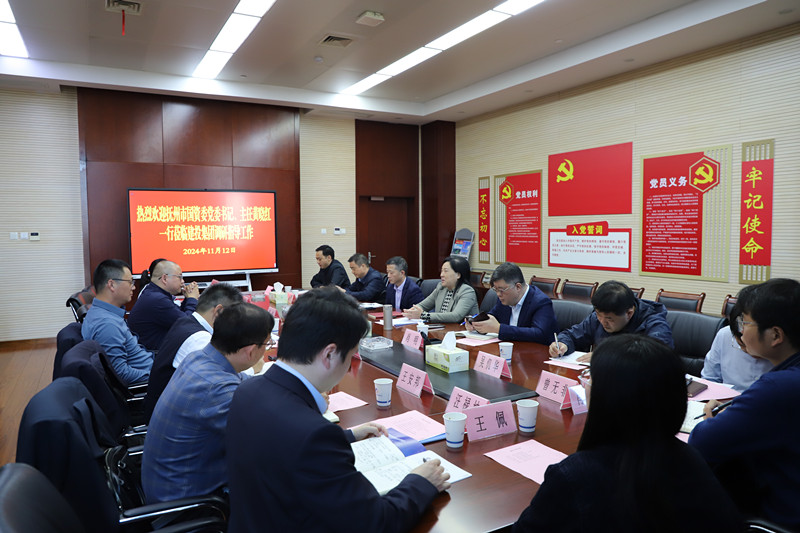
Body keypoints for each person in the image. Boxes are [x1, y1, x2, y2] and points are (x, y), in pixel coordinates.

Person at [225, 287, 450, 532]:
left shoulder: (247, 391)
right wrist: (421, 482)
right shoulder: (314, 435)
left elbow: (283, 446)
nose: (349, 364)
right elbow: (376, 522)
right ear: (330, 354)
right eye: (351, 356)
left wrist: (348, 436)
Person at [514, 335, 742, 532]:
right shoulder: (690, 458)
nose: (586, 384)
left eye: (591, 377)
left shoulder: (574, 475)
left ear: (610, 396)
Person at [690, 278, 800, 528]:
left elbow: (702, 443)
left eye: (745, 323)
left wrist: (711, 418)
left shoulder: (779, 387)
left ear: (775, 335)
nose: (740, 330)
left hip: (782, 515)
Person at [142, 302, 273, 503]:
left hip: (165, 483)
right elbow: (266, 438)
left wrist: (278, 383)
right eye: (266, 345)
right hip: (188, 505)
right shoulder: (217, 390)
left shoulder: (199, 358)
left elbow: (241, 381)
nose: (266, 350)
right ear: (250, 351)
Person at [143, 282, 244, 422]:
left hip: (165, 409)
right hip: (173, 420)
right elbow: (224, 381)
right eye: (236, 316)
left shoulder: (186, 322)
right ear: (219, 311)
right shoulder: (199, 339)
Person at [549, 280, 673, 361]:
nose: (602, 322)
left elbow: (659, 356)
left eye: (609, 319)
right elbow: (571, 335)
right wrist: (562, 344)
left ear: (629, 313)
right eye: (598, 314)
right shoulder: (598, 317)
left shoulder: (653, 322)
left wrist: (608, 356)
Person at [81, 259, 154, 385]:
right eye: (130, 282)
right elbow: (120, 374)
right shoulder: (107, 325)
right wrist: (158, 377)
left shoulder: (104, 313)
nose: (134, 287)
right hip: (150, 381)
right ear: (112, 284)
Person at [701, 285, 772, 392]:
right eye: (742, 344)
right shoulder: (725, 335)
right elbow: (709, 379)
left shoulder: (783, 352)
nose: (748, 349)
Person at [467, 262, 558, 344]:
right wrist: (477, 324)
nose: (498, 294)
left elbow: (539, 334)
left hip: (535, 352)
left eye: (501, 290)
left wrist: (499, 329)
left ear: (518, 287)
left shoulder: (541, 302)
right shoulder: (505, 298)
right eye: (496, 289)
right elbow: (493, 317)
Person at [128, 259, 201, 351]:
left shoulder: (154, 293)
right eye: (180, 277)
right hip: (154, 355)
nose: (183, 281)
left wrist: (188, 298)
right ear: (165, 278)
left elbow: (179, 315)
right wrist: (192, 299)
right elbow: (188, 325)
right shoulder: (157, 300)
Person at [403, 256, 479, 323]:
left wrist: (423, 315)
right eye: (442, 271)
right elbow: (423, 305)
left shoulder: (467, 291)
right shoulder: (441, 287)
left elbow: (456, 316)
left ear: (458, 275)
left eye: (445, 271)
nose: (441, 275)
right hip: (441, 329)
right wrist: (412, 311)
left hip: (461, 332)